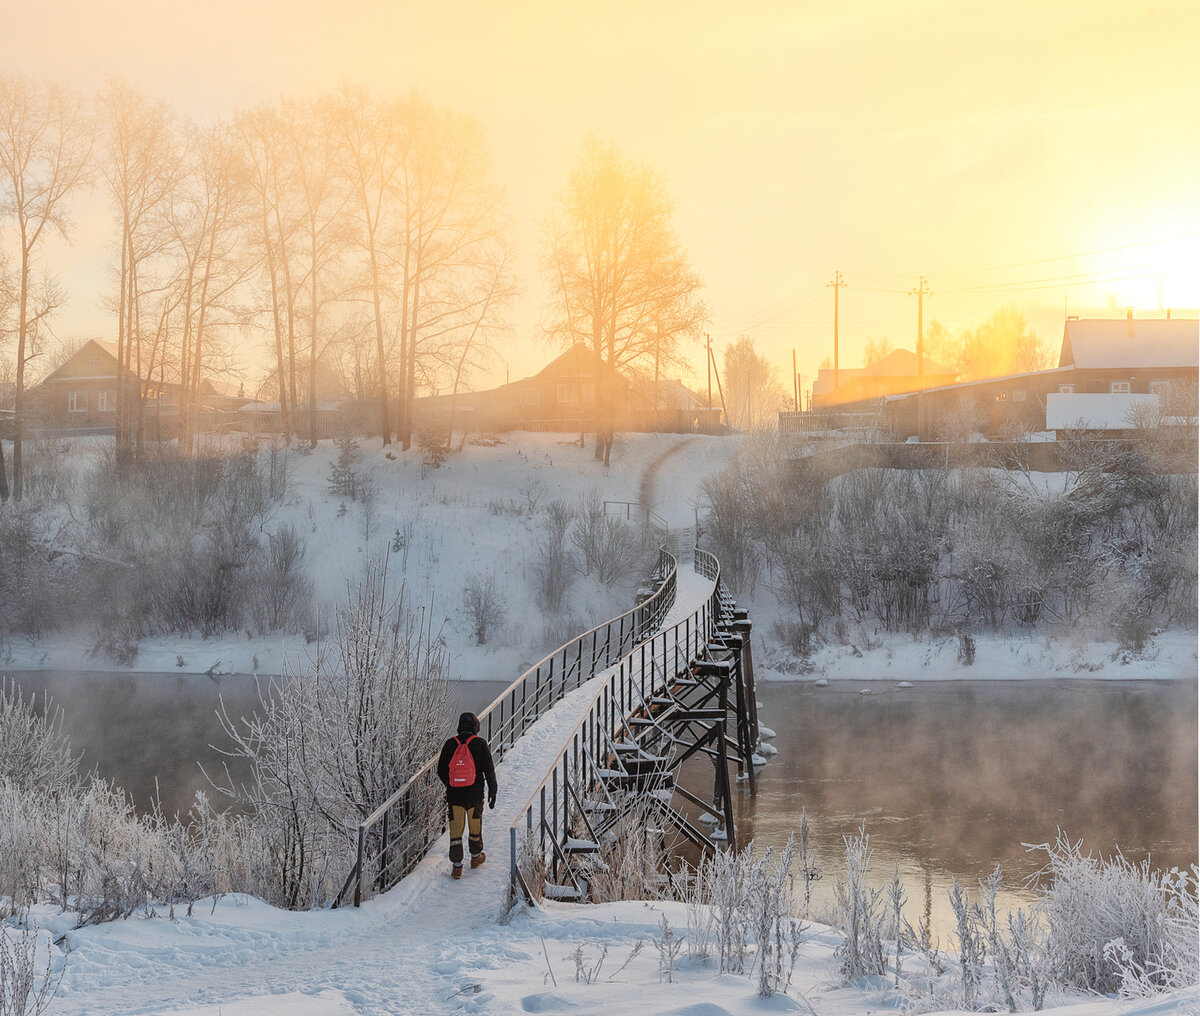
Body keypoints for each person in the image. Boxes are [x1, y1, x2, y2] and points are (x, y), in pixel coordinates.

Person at [436, 711, 498, 879]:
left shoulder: (450, 744)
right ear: (476, 726)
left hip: (455, 797)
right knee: (474, 826)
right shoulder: (480, 743)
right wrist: (493, 791)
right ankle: (476, 857)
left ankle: (457, 867)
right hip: (475, 795)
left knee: (456, 830)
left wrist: (451, 785)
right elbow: (489, 770)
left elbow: (441, 770)